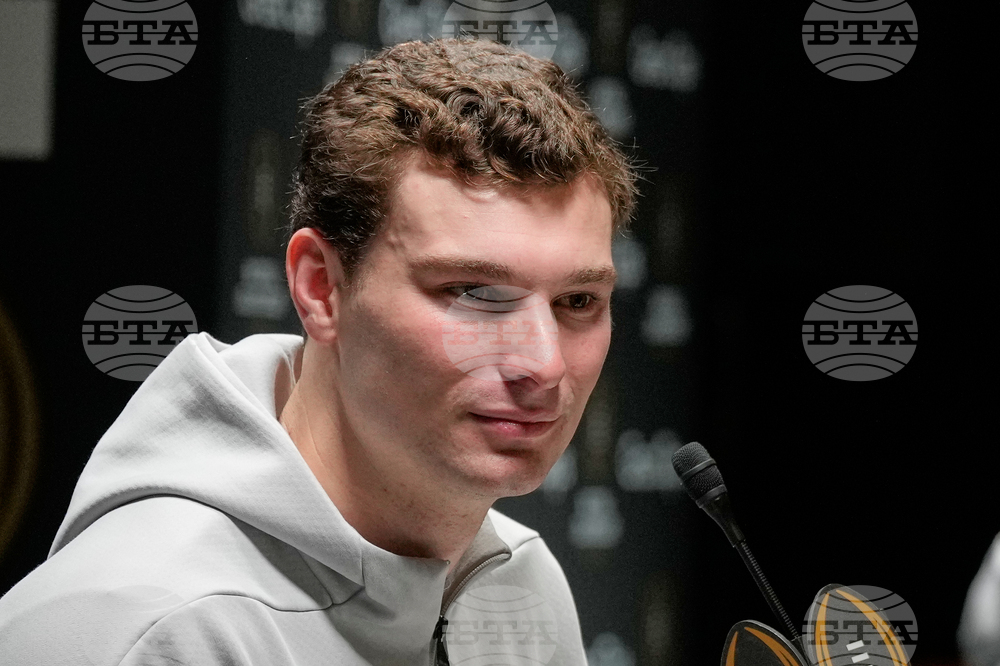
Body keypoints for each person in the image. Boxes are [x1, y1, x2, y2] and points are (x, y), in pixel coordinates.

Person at [0, 37, 637, 665]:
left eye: (578, 302)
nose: (545, 364)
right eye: (474, 293)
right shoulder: (147, 629)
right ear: (321, 288)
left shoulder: (520, 588)